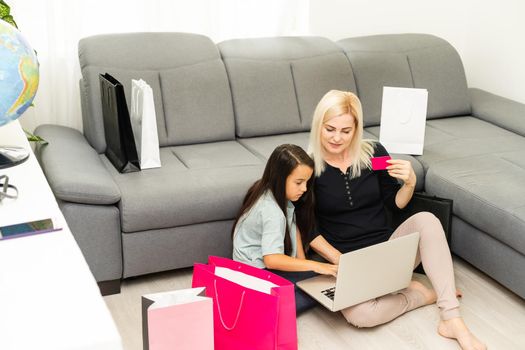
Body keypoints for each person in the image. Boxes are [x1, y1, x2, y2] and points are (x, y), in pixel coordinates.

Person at [307, 90, 486, 350]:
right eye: (330, 129)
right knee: (362, 316)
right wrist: (340, 261)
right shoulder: (309, 167)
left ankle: (451, 318)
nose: (337, 138)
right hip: (348, 262)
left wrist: (410, 182)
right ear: (319, 126)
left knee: (426, 219)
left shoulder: (374, 153)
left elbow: (394, 202)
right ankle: (422, 294)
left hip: (389, 250)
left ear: (356, 128)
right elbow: (308, 229)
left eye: (346, 131)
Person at [232, 143, 338, 314]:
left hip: (255, 268)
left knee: (319, 278)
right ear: (280, 178)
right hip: (257, 272)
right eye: (299, 182)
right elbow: (272, 260)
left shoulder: (270, 191)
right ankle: (263, 307)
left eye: (306, 182)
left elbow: (292, 224)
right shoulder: (271, 211)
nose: (304, 188)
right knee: (323, 284)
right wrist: (314, 267)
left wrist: (305, 265)